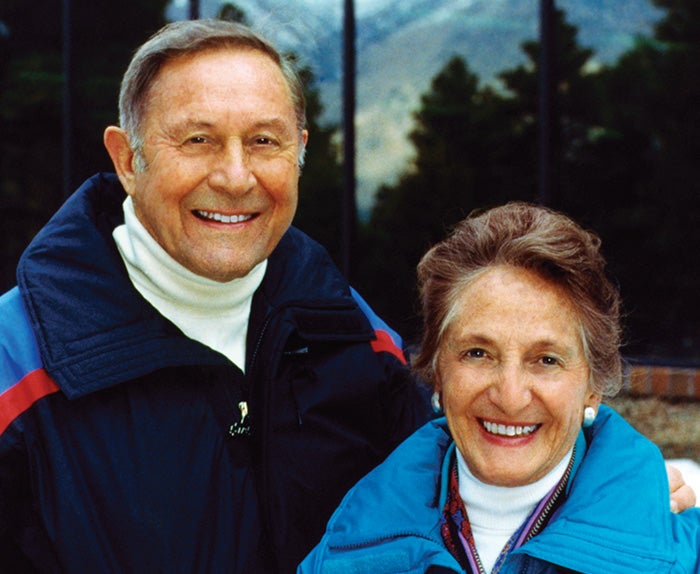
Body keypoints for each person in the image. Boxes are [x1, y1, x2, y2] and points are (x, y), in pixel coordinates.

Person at [0, 20, 432, 573]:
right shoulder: (17, 365)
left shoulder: (361, 340)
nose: (235, 177)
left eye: (263, 142)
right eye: (198, 140)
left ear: (299, 152)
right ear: (128, 159)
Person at [298, 202, 700, 573]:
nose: (509, 396)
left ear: (593, 387)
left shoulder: (681, 555)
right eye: (477, 353)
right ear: (438, 371)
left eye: (546, 360)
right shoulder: (344, 552)